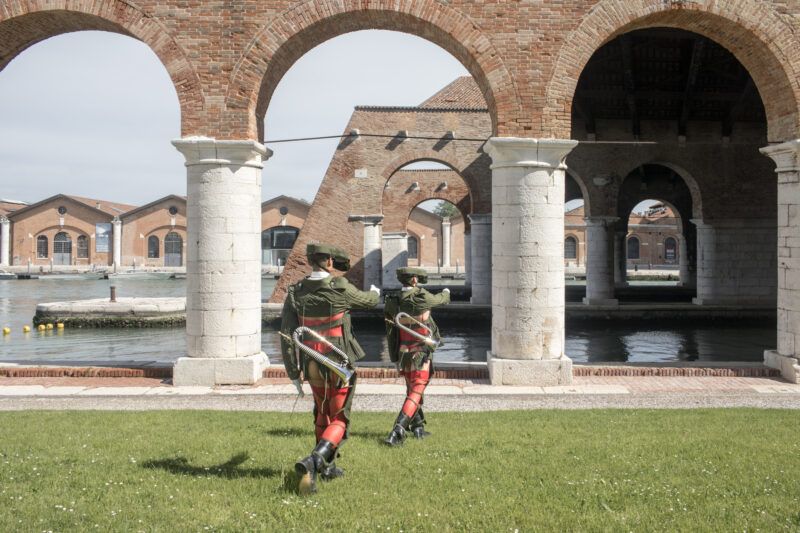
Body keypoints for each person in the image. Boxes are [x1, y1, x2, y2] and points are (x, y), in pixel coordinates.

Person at [280, 243, 380, 494]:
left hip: (311, 361)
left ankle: (327, 467)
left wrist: (293, 373)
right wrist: (376, 293)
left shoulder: (295, 292)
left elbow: (287, 335)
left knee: (321, 413)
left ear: (311, 261)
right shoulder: (340, 287)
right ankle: (314, 461)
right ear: (330, 262)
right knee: (339, 419)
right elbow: (367, 302)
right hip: (337, 361)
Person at [383, 267, 450, 446]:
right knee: (417, 389)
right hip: (421, 350)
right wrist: (446, 292)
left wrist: (394, 357)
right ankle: (397, 430)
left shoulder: (392, 301)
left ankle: (418, 427)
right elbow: (440, 300)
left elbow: (391, 333)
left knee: (412, 388)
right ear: (414, 280)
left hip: (403, 351)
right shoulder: (421, 296)